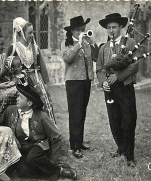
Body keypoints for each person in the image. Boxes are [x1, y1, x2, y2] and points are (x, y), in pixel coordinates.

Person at [0, 84, 77, 181]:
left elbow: (56, 137)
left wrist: (53, 160)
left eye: (20, 97)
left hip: (38, 145)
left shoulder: (41, 116)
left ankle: (61, 170)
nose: (17, 99)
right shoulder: (10, 110)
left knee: (32, 158)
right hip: (21, 147)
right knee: (22, 172)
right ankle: (46, 169)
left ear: (29, 103)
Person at [96, 13, 139, 167]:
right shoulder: (103, 48)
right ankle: (121, 148)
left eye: (114, 27)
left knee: (128, 120)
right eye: (108, 27)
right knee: (114, 120)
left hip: (125, 86)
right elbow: (100, 69)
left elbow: (134, 65)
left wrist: (118, 76)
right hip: (110, 89)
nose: (111, 30)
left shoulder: (130, 42)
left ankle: (130, 156)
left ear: (121, 27)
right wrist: (103, 82)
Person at [61, 16, 99, 158]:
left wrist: (92, 43)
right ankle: (75, 145)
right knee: (75, 113)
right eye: (78, 30)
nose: (81, 32)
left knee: (82, 112)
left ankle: (80, 141)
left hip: (86, 80)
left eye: (83, 30)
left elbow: (95, 58)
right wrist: (79, 44)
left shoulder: (87, 43)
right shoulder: (66, 43)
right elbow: (68, 58)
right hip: (73, 82)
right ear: (72, 31)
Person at [7, 17, 56, 125]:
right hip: (21, 81)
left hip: (36, 79)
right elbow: (9, 67)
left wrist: (45, 83)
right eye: (29, 33)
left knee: (45, 103)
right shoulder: (14, 48)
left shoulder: (35, 48)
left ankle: (49, 131)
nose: (32, 35)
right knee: (26, 105)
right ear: (22, 33)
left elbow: (42, 66)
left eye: (32, 32)